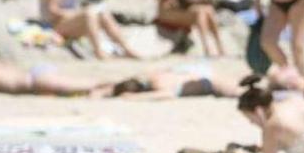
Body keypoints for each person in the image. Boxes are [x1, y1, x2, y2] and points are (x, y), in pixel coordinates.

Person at [0, 52, 101, 96]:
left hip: (33, 79)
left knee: (84, 85)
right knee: (81, 85)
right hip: (30, 74)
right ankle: (104, 86)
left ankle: (105, 86)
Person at [95, 64, 241, 100]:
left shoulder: (157, 85)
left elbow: (166, 94)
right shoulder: (151, 75)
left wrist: (136, 98)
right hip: (199, 71)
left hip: (206, 82)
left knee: (239, 93)